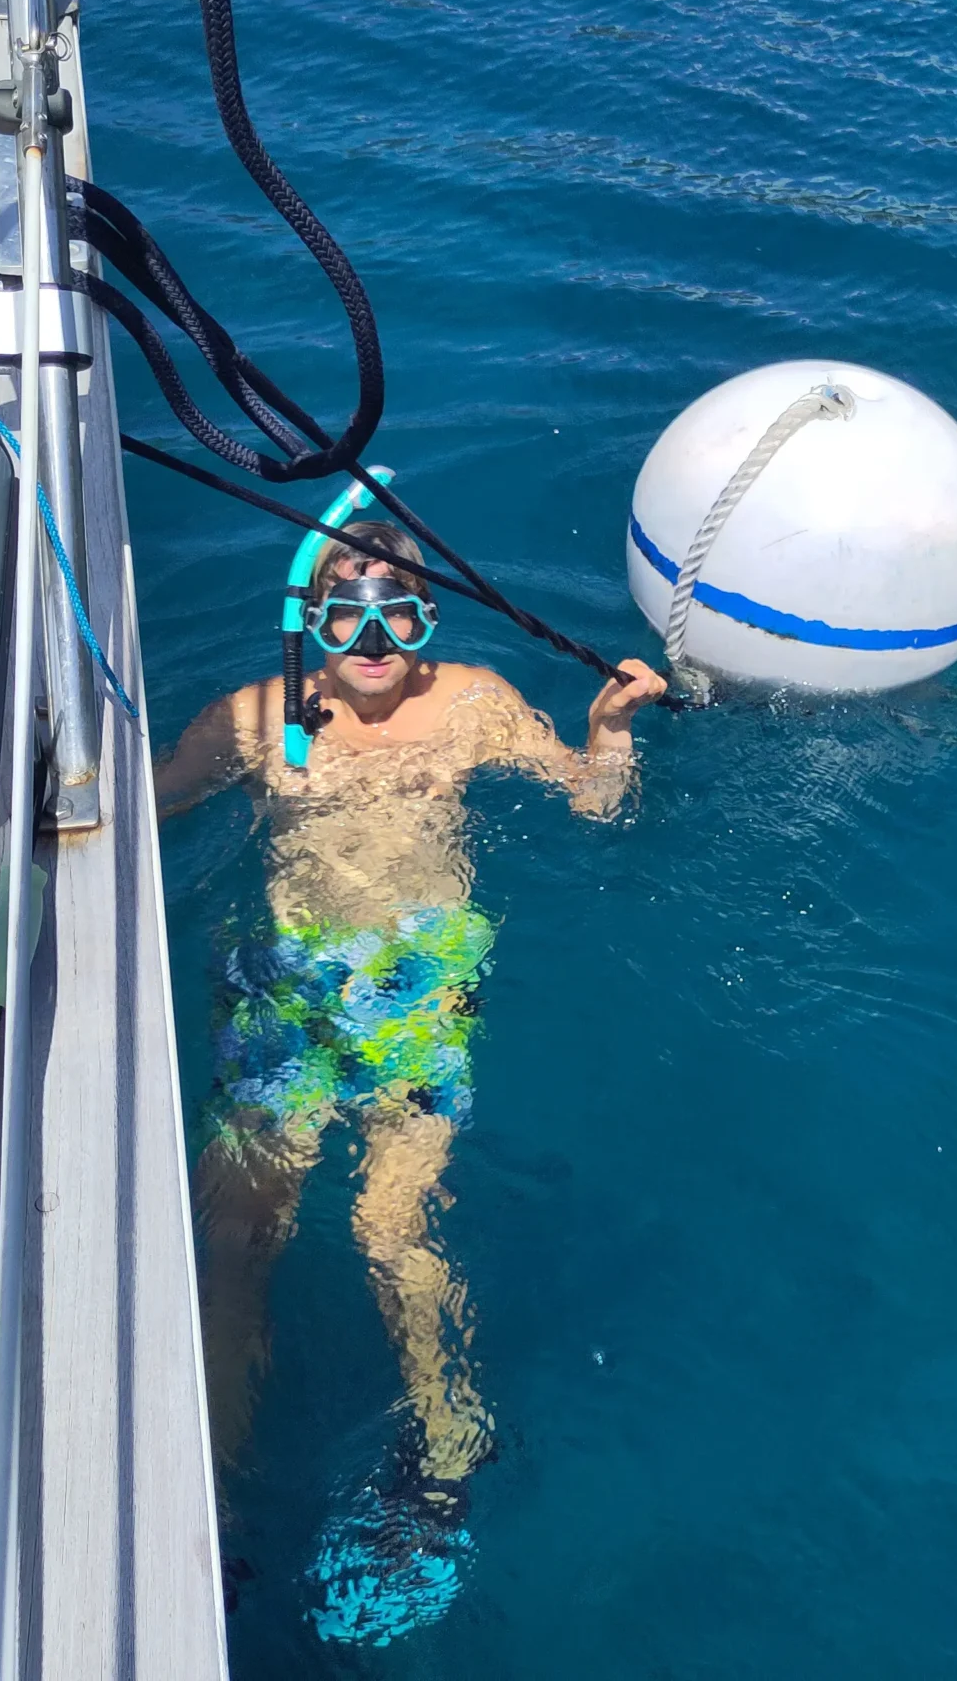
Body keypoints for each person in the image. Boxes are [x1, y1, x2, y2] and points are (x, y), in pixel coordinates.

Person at [155, 520, 666, 1641]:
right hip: (287, 991)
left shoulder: (475, 704)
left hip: (417, 995)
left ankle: (446, 1456)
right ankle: (212, 1492)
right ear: (311, 622)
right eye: (349, 614)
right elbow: (148, 806)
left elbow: (592, 804)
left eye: (398, 613)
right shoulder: (254, 719)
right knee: (237, 1237)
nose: (375, 639)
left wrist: (609, 732)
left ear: (429, 618)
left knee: (391, 1227)